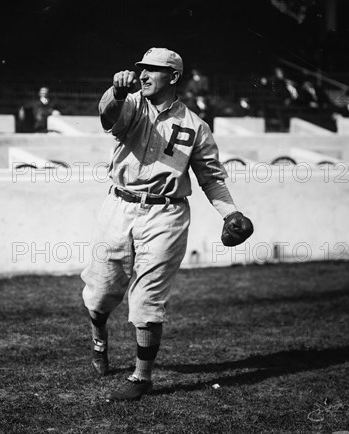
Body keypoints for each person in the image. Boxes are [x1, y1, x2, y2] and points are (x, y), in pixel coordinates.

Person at [81, 47, 253, 402]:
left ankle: (141, 378)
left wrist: (231, 213)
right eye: (140, 68)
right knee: (99, 295)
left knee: (147, 299)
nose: (142, 75)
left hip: (167, 213)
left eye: (152, 70)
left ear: (173, 77)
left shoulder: (196, 127)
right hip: (119, 205)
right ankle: (99, 339)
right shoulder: (132, 103)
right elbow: (107, 116)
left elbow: (211, 177)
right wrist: (115, 91)